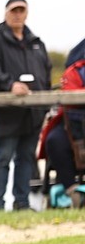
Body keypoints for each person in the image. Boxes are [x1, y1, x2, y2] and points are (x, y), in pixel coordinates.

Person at [0, 0, 51, 211]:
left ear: (27, 13)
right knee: (3, 158)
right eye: (14, 10)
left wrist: (44, 102)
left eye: (22, 10)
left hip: (33, 113)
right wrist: (10, 85)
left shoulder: (36, 43)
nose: (18, 14)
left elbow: (46, 74)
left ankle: (22, 203)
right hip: (6, 113)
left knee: (26, 159)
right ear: (6, 13)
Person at [39, 39, 85, 208]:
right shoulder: (76, 70)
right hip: (73, 123)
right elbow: (70, 93)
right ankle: (71, 191)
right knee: (54, 141)